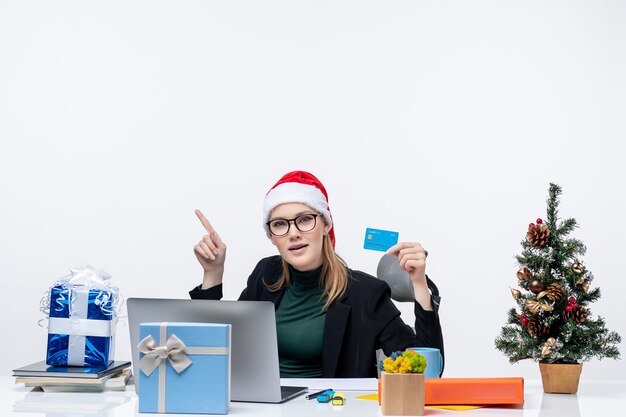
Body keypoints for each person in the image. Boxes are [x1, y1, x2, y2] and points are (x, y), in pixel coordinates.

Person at [189, 171, 444, 378]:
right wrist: (212, 274)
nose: (293, 233)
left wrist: (419, 286)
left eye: (304, 219)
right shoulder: (265, 275)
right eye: (280, 224)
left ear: (325, 224)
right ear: (272, 237)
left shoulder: (365, 293)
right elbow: (214, 355)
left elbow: (427, 372)